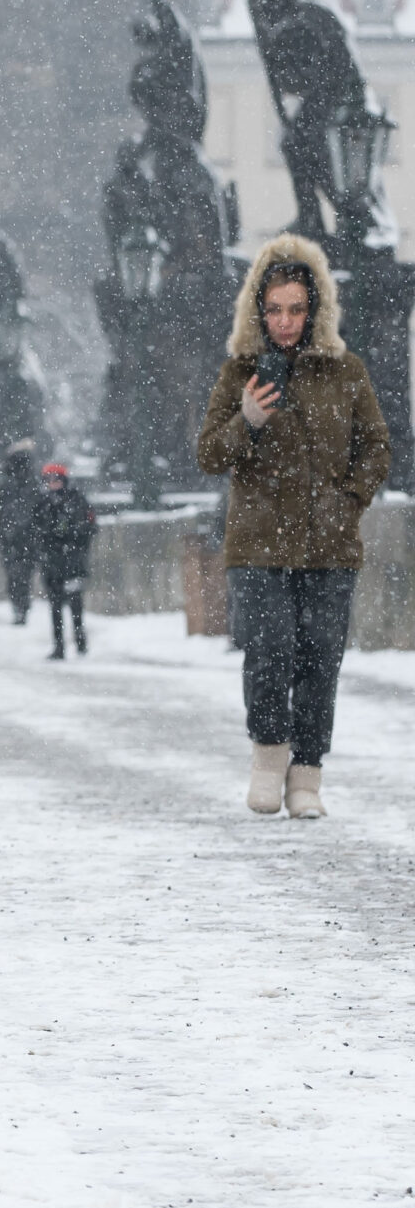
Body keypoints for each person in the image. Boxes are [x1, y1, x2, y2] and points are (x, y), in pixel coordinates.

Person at [197, 234, 390, 820]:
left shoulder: (345, 370)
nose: (285, 322)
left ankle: (307, 775)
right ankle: (267, 760)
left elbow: (377, 446)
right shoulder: (240, 372)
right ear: (259, 310)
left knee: (319, 657)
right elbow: (209, 454)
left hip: (330, 545)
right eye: (274, 309)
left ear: (316, 310)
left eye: (296, 309)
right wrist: (248, 419)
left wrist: (348, 499)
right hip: (257, 544)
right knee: (269, 649)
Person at [33, 462, 97, 661]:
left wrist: (71, 539)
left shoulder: (76, 500)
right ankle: (59, 646)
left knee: (75, 604)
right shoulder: (43, 503)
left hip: (72, 563)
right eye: (49, 479)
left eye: (56, 479)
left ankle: (80, 642)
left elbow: (89, 527)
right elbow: (36, 531)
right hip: (52, 563)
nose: (53, 483)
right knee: (55, 606)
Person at [0, 445, 41, 627]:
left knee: (16, 575)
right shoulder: (29, 485)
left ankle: (20, 606)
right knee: (21, 575)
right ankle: (22, 605)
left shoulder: (7, 487)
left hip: (16, 539)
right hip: (22, 539)